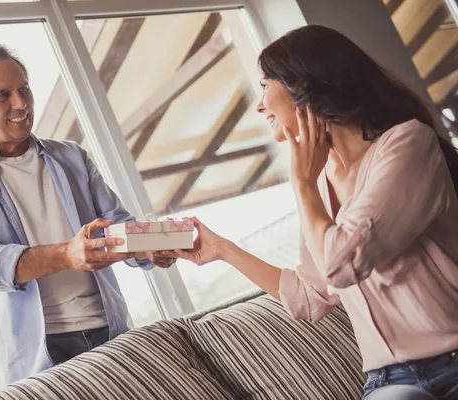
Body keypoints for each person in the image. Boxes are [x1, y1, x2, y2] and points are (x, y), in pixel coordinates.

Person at [172, 25, 458, 399]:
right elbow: (312, 295)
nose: (259, 105)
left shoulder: (407, 143)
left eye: (264, 85)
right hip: (390, 383)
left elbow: (343, 264)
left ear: (303, 85)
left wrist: (303, 185)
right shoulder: (320, 179)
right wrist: (222, 249)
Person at [0, 45, 177, 388]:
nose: (21, 104)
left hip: (109, 329)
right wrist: (67, 255)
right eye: (3, 96)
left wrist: (155, 245)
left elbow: (115, 223)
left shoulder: (71, 156)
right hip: (39, 355)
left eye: (24, 89)